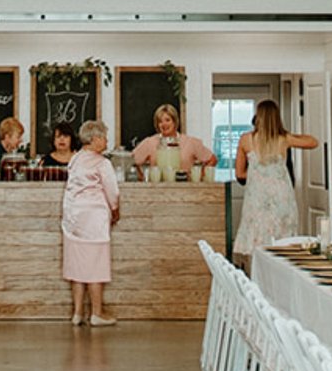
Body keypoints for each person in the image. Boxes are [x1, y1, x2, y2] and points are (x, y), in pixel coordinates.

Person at [232, 99, 320, 265]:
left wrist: (257, 175)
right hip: (282, 200)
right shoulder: (283, 139)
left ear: (258, 117)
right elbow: (313, 141)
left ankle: (258, 282)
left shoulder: (245, 140)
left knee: (257, 246)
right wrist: (288, 134)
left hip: (257, 201)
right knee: (283, 248)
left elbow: (239, 173)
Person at [61, 119, 121, 327]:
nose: (106, 141)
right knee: (95, 266)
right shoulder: (102, 163)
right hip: (94, 219)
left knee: (77, 267)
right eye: (104, 137)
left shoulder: (75, 159)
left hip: (73, 220)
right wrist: (115, 210)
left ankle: (77, 313)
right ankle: (96, 313)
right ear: (94, 139)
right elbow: (112, 191)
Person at [129, 105, 215, 179]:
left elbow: (212, 159)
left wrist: (201, 176)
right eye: (160, 121)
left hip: (186, 191)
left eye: (167, 120)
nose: (164, 124)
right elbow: (130, 161)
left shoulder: (190, 142)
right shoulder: (150, 142)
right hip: (157, 192)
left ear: (175, 121)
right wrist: (140, 176)